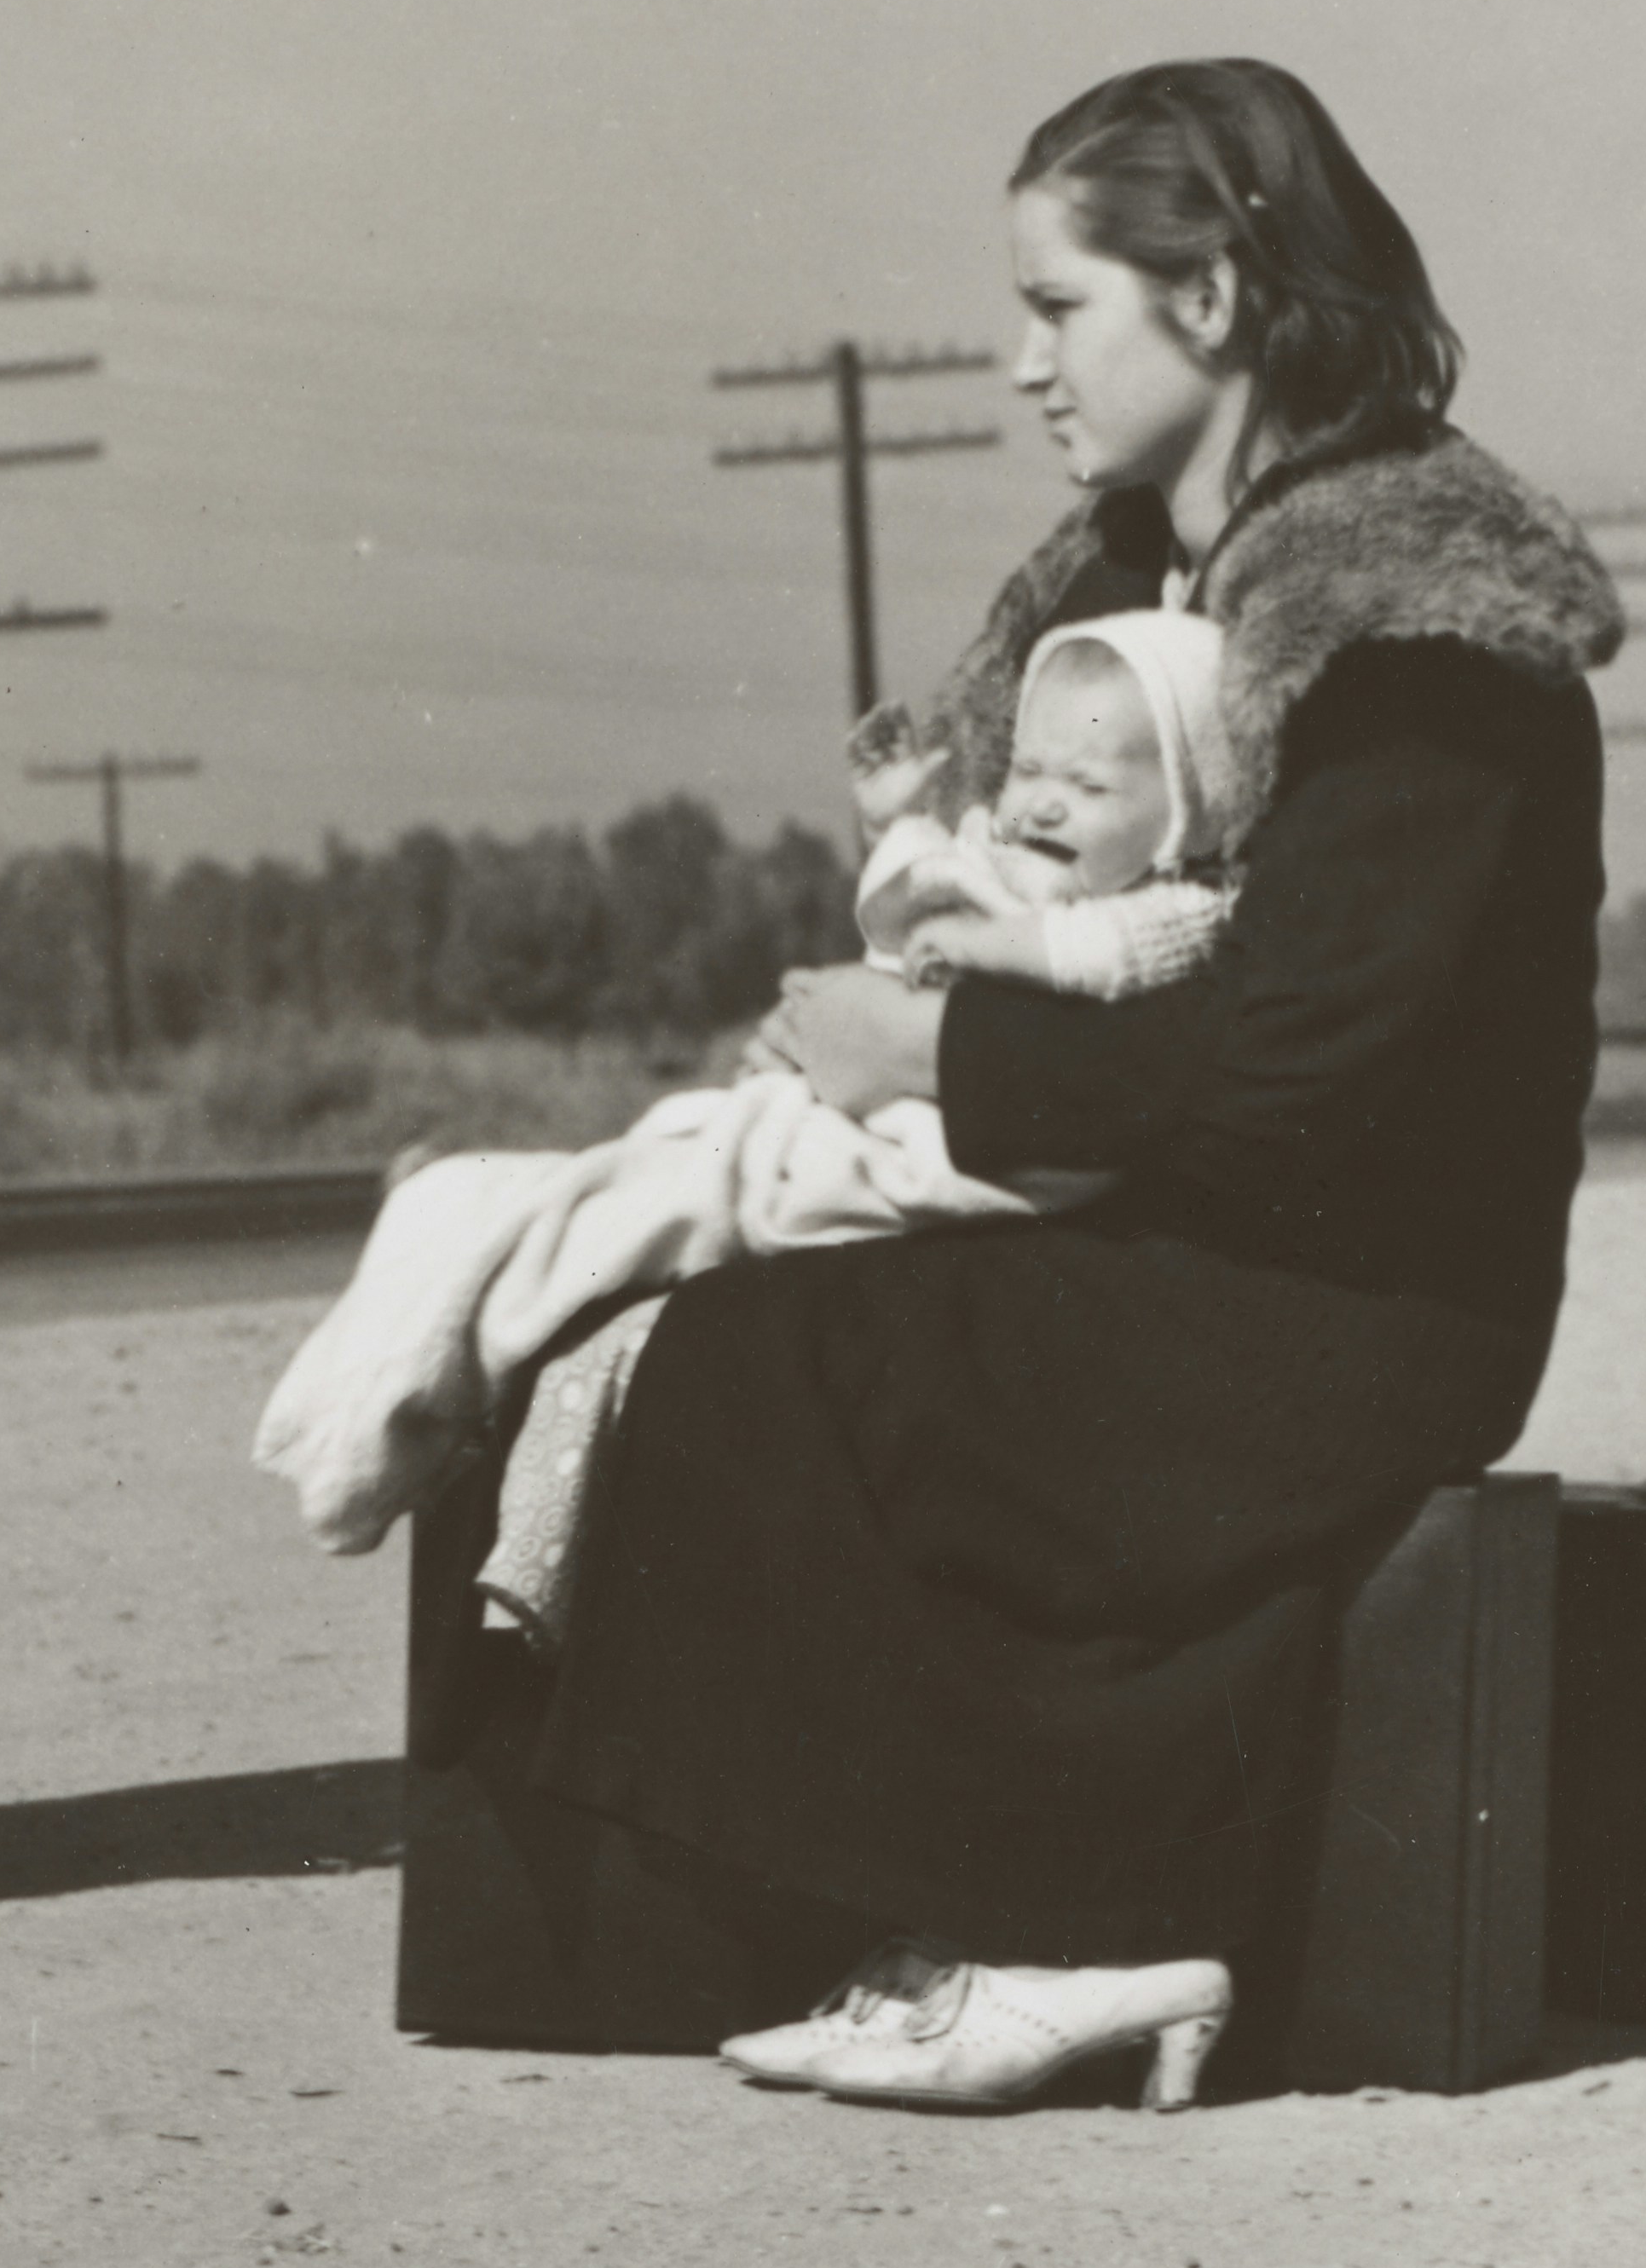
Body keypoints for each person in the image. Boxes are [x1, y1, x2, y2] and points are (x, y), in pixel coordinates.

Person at [504, 55, 1632, 2115]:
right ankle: (967, 1905)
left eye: (1057, 304)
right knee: (693, 1330)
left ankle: (1076, 1922)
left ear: (1206, 294)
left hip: (1357, 1304)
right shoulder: (1163, 592)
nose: (1021, 362)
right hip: (1187, 1239)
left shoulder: (1411, 626)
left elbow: (1303, 1056)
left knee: (791, 1369)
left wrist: (923, 1047)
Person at [248, 609, 1233, 1561]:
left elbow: (1082, 949)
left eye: (1091, 785)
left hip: (897, 1165)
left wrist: (973, 938)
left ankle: (382, 1408)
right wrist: (902, 824)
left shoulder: (1151, 917)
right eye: (1029, 770)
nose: (1042, 802)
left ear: (1184, 812)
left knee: (612, 1219)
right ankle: (445, 1277)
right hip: (851, 1124)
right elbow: (929, 888)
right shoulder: (1020, 864)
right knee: (616, 1184)